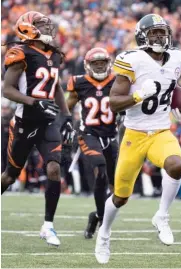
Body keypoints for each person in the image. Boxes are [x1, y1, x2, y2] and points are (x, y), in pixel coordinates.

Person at [94, 14, 181, 264]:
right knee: (120, 196)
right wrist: (138, 97)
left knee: (176, 165)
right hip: (134, 135)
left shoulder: (178, 58)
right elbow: (114, 103)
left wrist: (179, 104)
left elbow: (172, 86)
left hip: (160, 131)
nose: (159, 37)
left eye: (162, 32)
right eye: (154, 33)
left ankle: (161, 216)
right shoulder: (131, 60)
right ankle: (104, 233)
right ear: (142, 37)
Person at [1, 11, 74, 247]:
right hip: (24, 122)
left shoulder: (54, 54)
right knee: (10, 176)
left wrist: (67, 116)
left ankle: (48, 225)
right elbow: (7, 90)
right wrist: (34, 101)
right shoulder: (21, 53)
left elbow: (57, 87)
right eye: (42, 25)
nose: (49, 29)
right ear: (28, 28)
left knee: (54, 168)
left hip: (48, 123)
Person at [66, 47, 118, 239]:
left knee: (117, 191)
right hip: (89, 134)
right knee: (100, 168)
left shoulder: (117, 81)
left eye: (102, 63)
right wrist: (63, 124)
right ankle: (103, 218)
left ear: (108, 64)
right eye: (95, 63)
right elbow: (67, 106)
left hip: (111, 137)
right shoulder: (79, 83)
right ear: (88, 65)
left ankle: (95, 216)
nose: (99, 66)